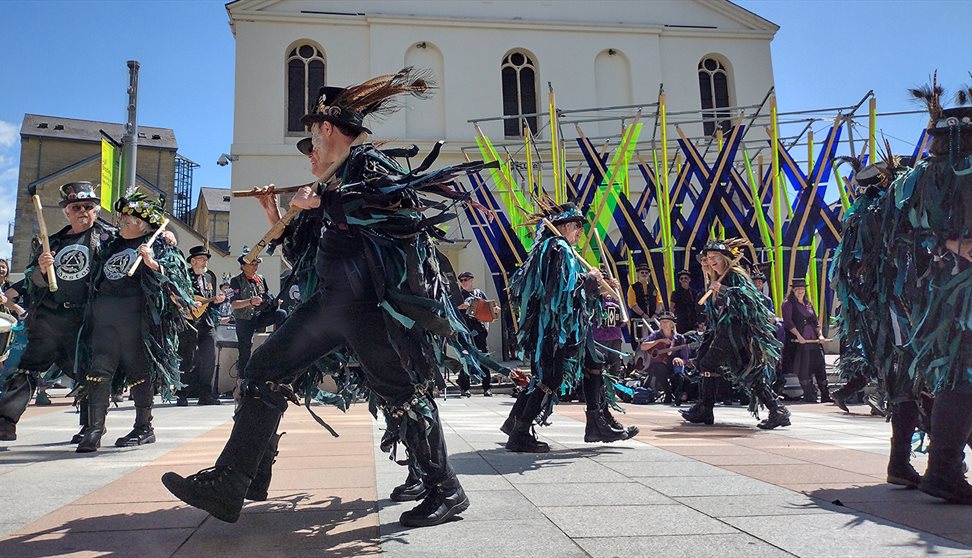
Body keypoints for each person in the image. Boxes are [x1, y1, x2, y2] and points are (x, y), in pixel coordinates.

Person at [163, 69, 503, 527]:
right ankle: (236, 481)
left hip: (367, 309)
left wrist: (323, 204)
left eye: (312, 140)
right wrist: (277, 210)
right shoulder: (330, 183)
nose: (310, 153)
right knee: (264, 369)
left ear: (326, 129)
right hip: (327, 305)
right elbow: (302, 250)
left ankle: (447, 491)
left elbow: (393, 212)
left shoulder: (366, 166)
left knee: (402, 394)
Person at [889, 79, 972, 504]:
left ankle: (944, 465)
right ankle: (942, 468)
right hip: (956, 294)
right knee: (960, 377)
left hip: (934, 295)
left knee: (957, 376)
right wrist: (953, 245)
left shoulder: (920, 177)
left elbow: (905, 234)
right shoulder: (952, 174)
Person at [77, 191, 193, 452]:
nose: (122, 222)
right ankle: (94, 429)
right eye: (122, 218)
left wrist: (153, 263)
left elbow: (177, 279)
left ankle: (144, 427)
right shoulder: (112, 244)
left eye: (127, 220)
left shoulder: (159, 245)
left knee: (139, 374)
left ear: (141, 224)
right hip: (105, 319)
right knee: (98, 372)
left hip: (137, 321)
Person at [0, 182, 115, 443]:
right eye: (76, 207)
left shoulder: (109, 238)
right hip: (52, 317)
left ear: (96, 210)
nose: (82, 211)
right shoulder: (51, 241)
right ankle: (5, 421)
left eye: (88, 206)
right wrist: (40, 270)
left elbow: (134, 246)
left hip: (89, 317)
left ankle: (91, 426)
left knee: (89, 370)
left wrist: (165, 237)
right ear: (67, 212)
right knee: (28, 366)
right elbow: (31, 281)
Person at [501, 202, 605, 452]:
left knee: (550, 376)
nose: (580, 232)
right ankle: (519, 433)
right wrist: (591, 281)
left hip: (550, 328)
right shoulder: (558, 248)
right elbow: (560, 292)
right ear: (566, 226)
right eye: (577, 226)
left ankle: (516, 426)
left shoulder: (550, 248)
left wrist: (594, 283)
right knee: (549, 377)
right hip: (551, 329)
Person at [680, 239, 789, 429]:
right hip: (722, 331)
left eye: (714, 258)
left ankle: (706, 408)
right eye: (708, 258)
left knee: (711, 363)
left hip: (735, 332)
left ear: (724, 259)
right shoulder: (717, 278)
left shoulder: (734, 276)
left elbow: (749, 299)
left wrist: (723, 290)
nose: (710, 262)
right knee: (741, 370)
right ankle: (776, 409)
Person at [582, 279, 638, 442]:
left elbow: (623, 318)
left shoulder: (614, 298)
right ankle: (602, 418)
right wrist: (604, 290)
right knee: (598, 377)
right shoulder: (593, 296)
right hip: (598, 340)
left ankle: (604, 417)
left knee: (610, 377)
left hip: (614, 338)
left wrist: (616, 294)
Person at [176, 245, 226, 406]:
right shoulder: (184, 278)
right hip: (189, 322)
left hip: (206, 322)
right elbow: (176, 297)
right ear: (193, 261)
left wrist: (217, 302)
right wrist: (189, 303)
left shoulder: (208, 279)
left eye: (206, 259)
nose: (205, 262)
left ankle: (206, 394)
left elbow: (208, 303)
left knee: (209, 357)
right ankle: (182, 393)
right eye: (202, 259)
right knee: (187, 358)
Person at [230, 251, 285, 375]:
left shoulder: (261, 278)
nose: (255, 267)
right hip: (244, 319)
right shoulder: (235, 281)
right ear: (243, 266)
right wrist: (250, 301)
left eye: (256, 264)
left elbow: (266, 295)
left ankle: (279, 341)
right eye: (252, 264)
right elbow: (234, 304)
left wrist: (273, 302)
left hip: (259, 316)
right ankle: (243, 378)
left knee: (281, 313)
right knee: (245, 350)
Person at [781, 279, 830, 403]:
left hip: (813, 340)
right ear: (793, 290)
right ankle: (809, 395)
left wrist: (820, 335)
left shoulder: (808, 303)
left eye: (802, 289)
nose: (800, 291)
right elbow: (788, 323)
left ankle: (825, 394)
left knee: (820, 367)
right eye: (797, 289)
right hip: (799, 342)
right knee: (804, 369)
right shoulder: (788, 304)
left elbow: (815, 321)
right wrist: (798, 336)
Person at [454, 271, 498, 397]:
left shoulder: (479, 293)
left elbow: (490, 307)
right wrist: (459, 307)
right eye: (461, 280)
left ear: (471, 280)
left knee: (484, 357)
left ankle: (487, 387)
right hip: (464, 330)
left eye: (466, 279)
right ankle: (465, 387)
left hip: (479, 330)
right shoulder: (458, 295)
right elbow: (450, 310)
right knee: (465, 357)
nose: (463, 282)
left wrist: (494, 310)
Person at [638, 311, 691, 405]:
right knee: (658, 367)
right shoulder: (656, 335)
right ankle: (668, 393)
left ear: (672, 325)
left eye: (666, 322)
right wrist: (659, 341)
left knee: (678, 369)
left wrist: (680, 360)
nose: (663, 324)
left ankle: (678, 394)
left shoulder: (679, 338)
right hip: (661, 366)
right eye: (662, 322)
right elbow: (643, 346)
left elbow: (685, 359)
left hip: (673, 365)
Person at [627, 263, 662, 332]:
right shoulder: (633, 287)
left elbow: (659, 303)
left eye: (646, 272)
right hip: (638, 319)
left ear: (649, 274)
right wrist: (643, 315)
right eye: (642, 272)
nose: (644, 274)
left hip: (653, 319)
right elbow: (633, 304)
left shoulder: (654, 287)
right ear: (638, 274)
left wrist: (655, 314)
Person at [669, 269, 699, 334]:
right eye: (681, 278)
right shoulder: (675, 293)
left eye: (686, 278)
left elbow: (698, 307)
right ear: (679, 280)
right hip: (681, 322)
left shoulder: (694, 293)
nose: (683, 280)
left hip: (693, 322)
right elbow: (672, 308)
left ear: (689, 279)